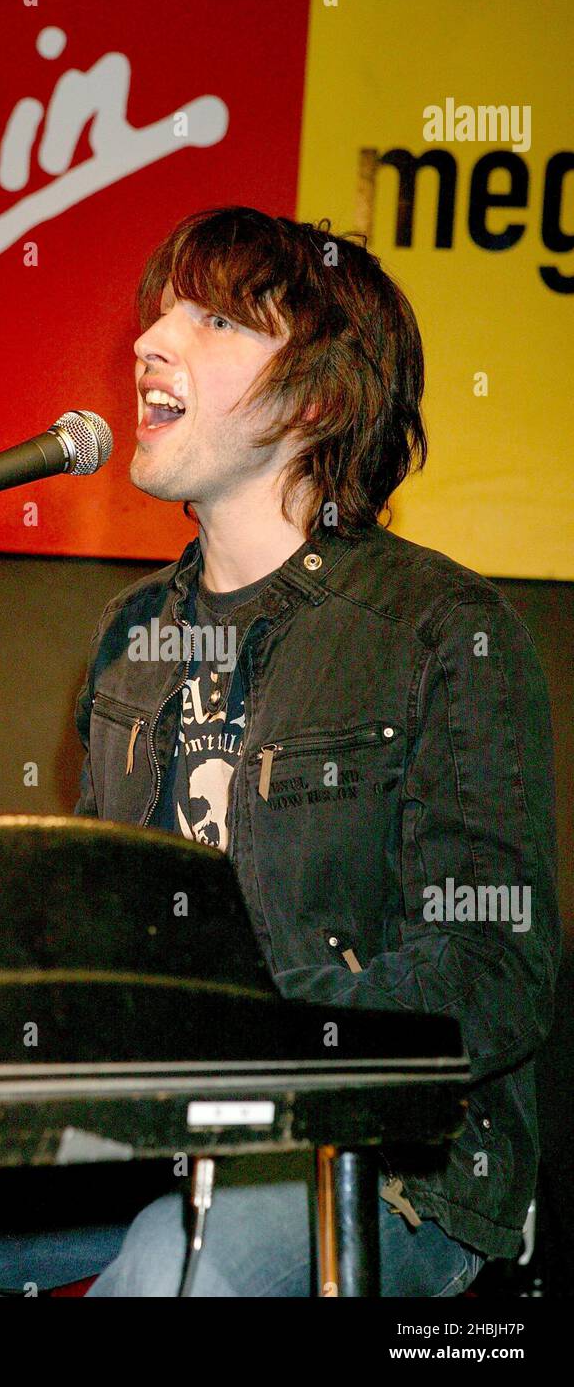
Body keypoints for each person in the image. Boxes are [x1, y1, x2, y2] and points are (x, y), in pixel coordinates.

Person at [72, 205, 561, 1297]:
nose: (151, 342)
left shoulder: (446, 632)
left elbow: (499, 968)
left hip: (398, 1166)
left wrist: (258, 1043)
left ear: (321, 395)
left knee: (175, 1262)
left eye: (211, 319)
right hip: (147, 1140)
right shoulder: (129, 638)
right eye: (157, 316)